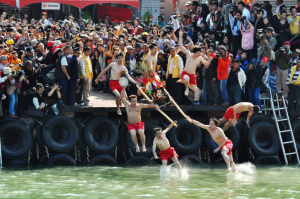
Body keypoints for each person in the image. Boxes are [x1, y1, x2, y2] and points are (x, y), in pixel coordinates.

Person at [121, 87, 159, 152]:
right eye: (133, 101)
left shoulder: (139, 105)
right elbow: (122, 97)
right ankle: (137, 146)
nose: (134, 102)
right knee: (133, 133)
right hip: (131, 124)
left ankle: (144, 146)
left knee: (141, 132)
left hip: (139, 123)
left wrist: (155, 106)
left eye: (135, 101)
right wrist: (124, 88)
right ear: (130, 101)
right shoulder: (127, 105)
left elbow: (148, 105)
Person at [177, 30, 211, 96]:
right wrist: (180, 36)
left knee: (194, 89)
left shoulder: (200, 58)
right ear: (194, 52)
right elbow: (181, 46)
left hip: (192, 75)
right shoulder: (188, 54)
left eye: (200, 53)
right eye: (198, 53)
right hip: (185, 73)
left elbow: (206, 64)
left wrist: (209, 60)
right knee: (186, 78)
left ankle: (184, 82)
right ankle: (186, 88)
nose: (199, 54)